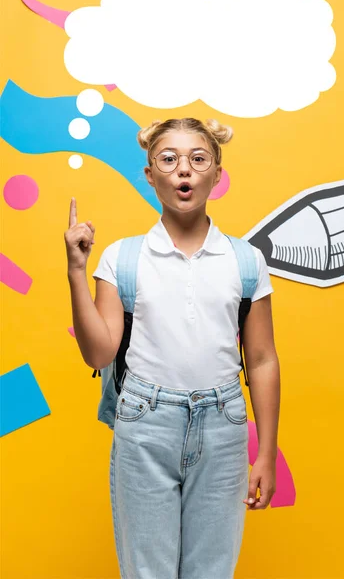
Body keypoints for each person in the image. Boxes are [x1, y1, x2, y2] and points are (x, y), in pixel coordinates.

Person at [65, 117, 280, 579]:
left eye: (198, 159)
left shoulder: (245, 260)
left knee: (211, 572)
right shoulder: (121, 258)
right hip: (145, 426)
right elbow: (99, 354)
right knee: (149, 572)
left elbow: (261, 359)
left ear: (216, 174)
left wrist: (265, 451)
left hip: (224, 428)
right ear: (150, 173)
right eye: (169, 159)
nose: (184, 170)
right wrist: (76, 272)